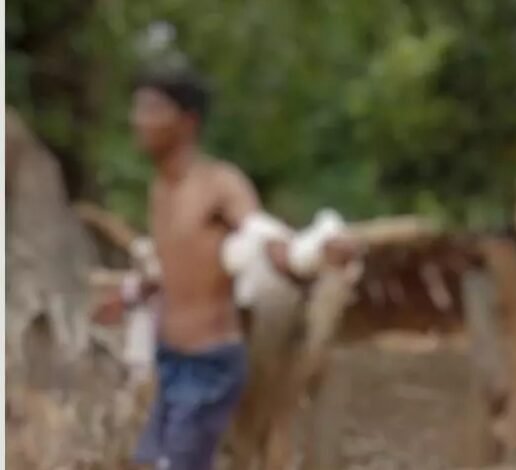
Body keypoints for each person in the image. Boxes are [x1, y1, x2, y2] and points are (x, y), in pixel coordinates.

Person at [94, 64, 355, 470]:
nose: (138, 120)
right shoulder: (160, 189)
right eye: (137, 108)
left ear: (187, 122)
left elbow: (265, 240)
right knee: (147, 462)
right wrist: (130, 295)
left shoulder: (219, 184)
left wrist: (315, 253)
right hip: (170, 359)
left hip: (209, 365)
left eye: (152, 109)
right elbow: (177, 266)